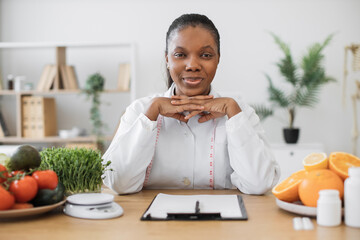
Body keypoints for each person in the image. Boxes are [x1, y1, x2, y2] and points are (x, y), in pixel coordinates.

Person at [102, 13, 280, 194]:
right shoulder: (140, 110)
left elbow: (260, 184)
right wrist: (151, 113)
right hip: (151, 221)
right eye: (180, 54)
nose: (192, 65)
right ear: (167, 59)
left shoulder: (241, 113)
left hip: (221, 220)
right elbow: (118, 184)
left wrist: (232, 110)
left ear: (218, 59)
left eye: (205, 55)